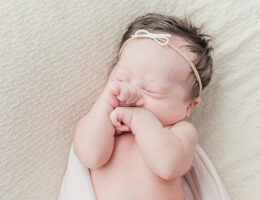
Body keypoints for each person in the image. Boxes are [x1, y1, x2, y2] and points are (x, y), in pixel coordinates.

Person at [73, 12, 215, 199]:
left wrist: (140, 119)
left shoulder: (179, 132)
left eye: (152, 90)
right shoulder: (101, 122)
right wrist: (106, 102)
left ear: (189, 106)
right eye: (121, 79)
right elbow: (90, 156)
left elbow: (169, 166)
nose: (132, 94)